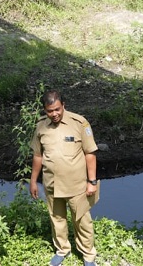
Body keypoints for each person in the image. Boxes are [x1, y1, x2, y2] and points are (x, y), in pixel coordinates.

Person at [29, 90, 99, 266]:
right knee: (56, 219)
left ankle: (88, 255)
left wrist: (91, 182)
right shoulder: (41, 126)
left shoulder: (79, 123)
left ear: (63, 105)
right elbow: (38, 155)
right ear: (45, 110)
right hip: (51, 183)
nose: (54, 114)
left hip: (76, 185)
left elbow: (90, 153)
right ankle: (62, 249)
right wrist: (33, 181)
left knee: (82, 220)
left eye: (57, 109)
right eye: (49, 111)